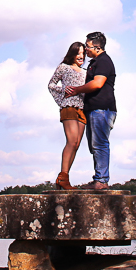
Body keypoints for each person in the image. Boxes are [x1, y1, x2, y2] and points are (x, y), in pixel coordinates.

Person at [65, 31, 116, 190]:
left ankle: (101, 180)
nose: (85, 50)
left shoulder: (104, 61)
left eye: (88, 47)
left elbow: (97, 83)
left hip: (102, 109)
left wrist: (77, 90)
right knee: (95, 145)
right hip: (94, 110)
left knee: (100, 144)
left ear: (98, 48)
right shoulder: (96, 62)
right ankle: (99, 178)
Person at [46, 41, 87, 190]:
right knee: (71, 141)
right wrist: (63, 93)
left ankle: (64, 178)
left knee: (76, 144)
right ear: (72, 54)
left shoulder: (86, 72)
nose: (81, 56)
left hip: (82, 109)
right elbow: (51, 85)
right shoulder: (63, 67)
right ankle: (63, 176)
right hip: (69, 106)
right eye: (78, 53)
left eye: (83, 53)